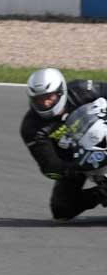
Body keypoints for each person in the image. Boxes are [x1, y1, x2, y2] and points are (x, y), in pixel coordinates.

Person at [21, 67, 107, 221]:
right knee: (61, 209)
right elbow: (49, 167)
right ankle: (102, 192)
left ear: (61, 91)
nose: (45, 103)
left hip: (102, 137)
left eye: (49, 97)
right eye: (38, 99)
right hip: (75, 161)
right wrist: (74, 168)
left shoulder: (82, 90)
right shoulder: (32, 128)